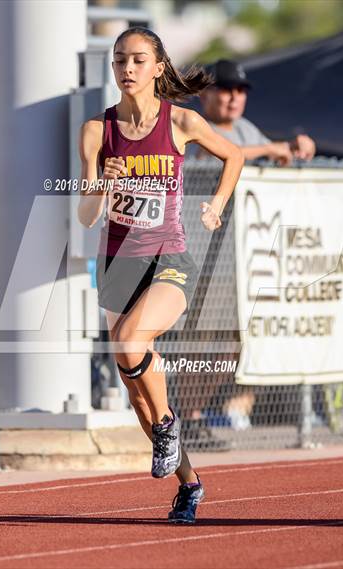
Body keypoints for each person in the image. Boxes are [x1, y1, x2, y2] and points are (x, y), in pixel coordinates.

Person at [78, 27, 244, 523]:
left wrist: (216, 203)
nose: (127, 69)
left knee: (131, 345)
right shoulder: (96, 130)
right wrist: (101, 188)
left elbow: (232, 156)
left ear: (158, 68)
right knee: (137, 394)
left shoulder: (182, 122)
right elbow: (87, 217)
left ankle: (169, 422)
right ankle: (189, 484)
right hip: (118, 263)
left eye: (138, 60)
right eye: (119, 61)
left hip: (168, 260)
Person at [196, 59, 316, 165]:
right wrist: (269, 149)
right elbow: (224, 155)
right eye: (226, 89)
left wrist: (295, 148)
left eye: (240, 90)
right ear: (204, 95)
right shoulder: (195, 127)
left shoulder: (244, 126)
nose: (235, 98)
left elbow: (274, 151)